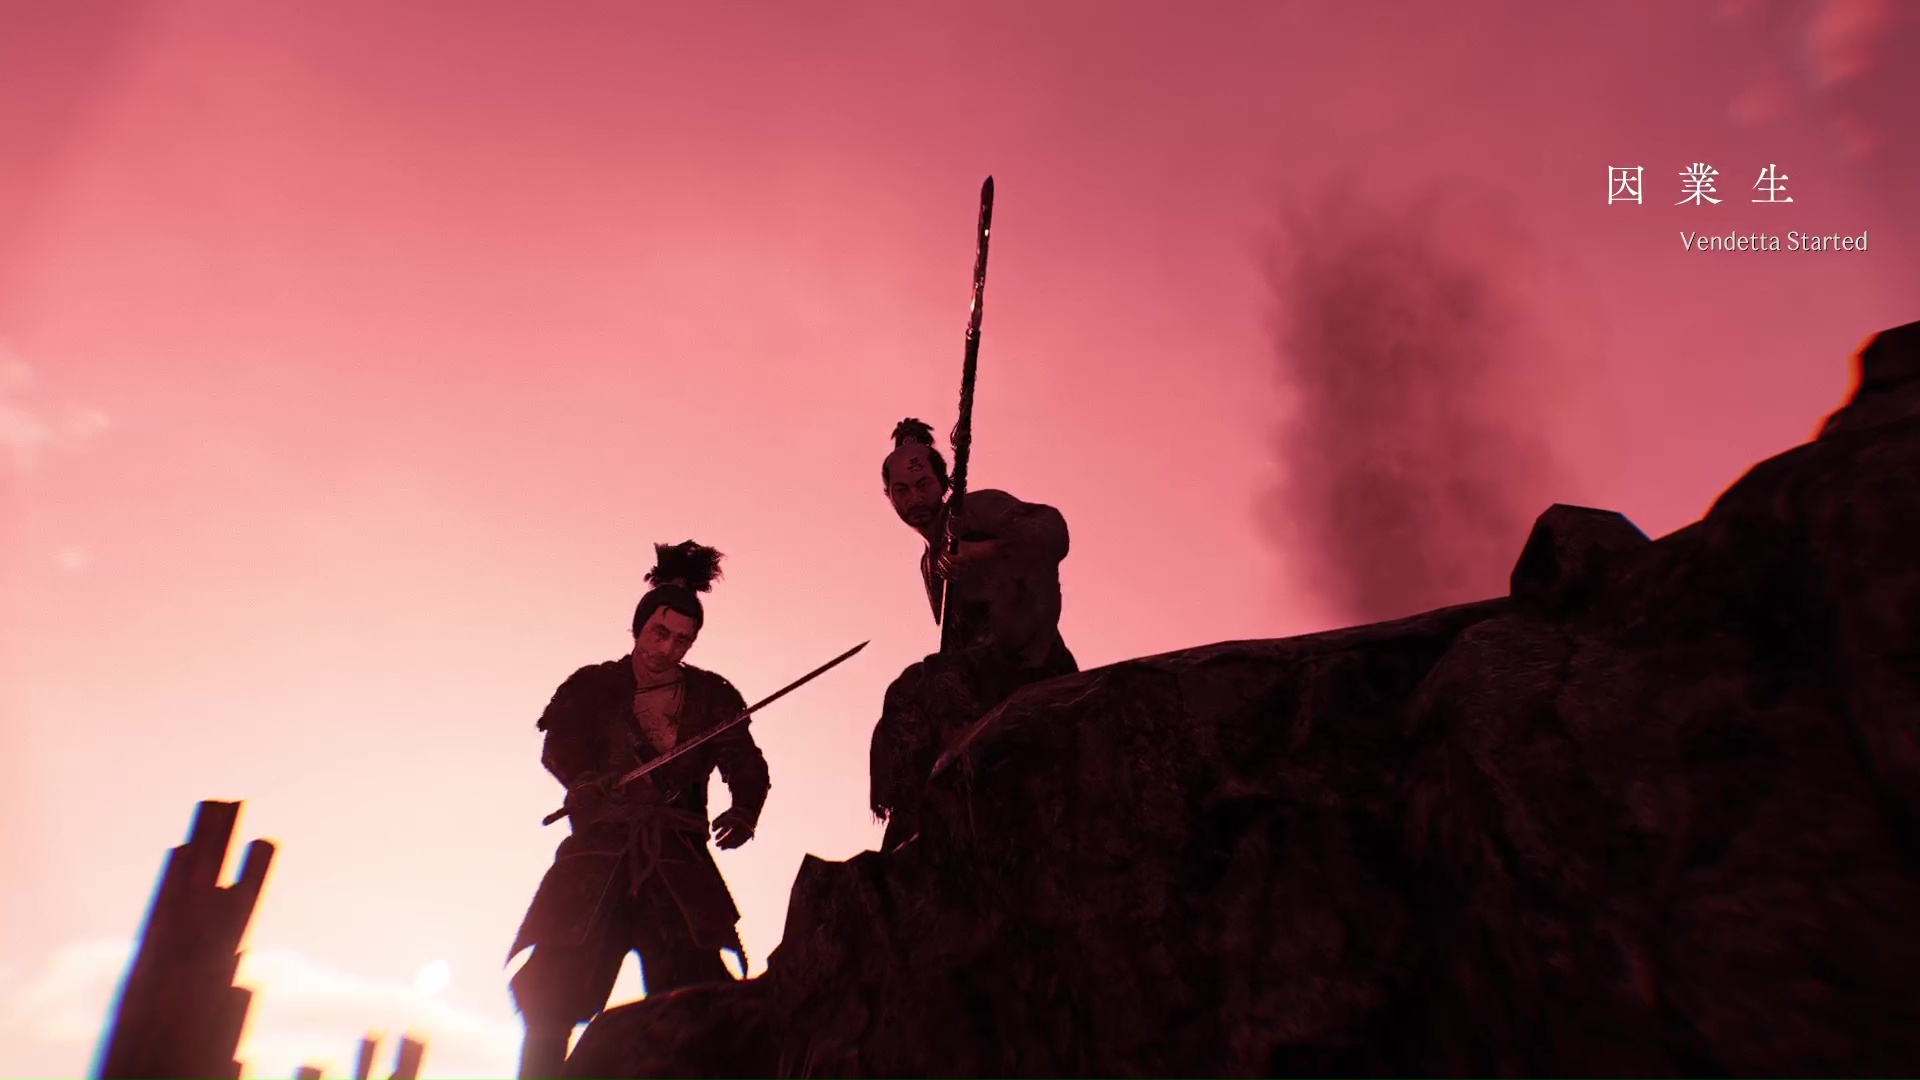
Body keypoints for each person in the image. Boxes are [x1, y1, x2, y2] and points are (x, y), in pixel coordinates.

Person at [505, 541, 768, 1080]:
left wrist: (744, 809)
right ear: (639, 627)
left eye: (682, 640)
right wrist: (584, 781)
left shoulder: (713, 696)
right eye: (659, 633)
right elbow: (559, 746)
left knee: (701, 1002)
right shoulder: (592, 685)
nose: (667, 648)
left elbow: (746, 762)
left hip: (676, 865)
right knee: (551, 998)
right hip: (596, 862)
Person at [870, 418, 1077, 852]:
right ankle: (910, 824)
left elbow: (1051, 528)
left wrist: (984, 552)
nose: (915, 498)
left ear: (943, 482)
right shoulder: (928, 566)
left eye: (923, 484)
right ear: (889, 497)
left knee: (930, 681)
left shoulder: (974, 511)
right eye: (902, 490)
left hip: (1028, 661)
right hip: (976, 675)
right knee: (905, 699)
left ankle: (968, 791)